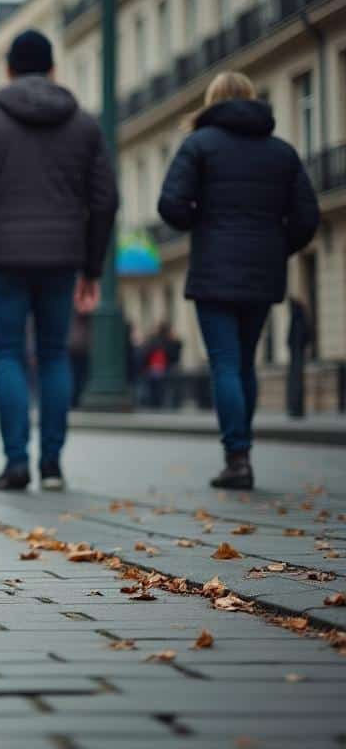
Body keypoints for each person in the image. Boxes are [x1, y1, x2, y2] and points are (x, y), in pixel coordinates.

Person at [0, 29, 118, 491]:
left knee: (7, 354)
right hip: (62, 257)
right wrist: (91, 266)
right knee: (53, 355)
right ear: (53, 70)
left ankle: (15, 463)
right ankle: (51, 465)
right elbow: (105, 201)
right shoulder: (83, 125)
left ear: (7, 70)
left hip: (3, 255)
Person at [158, 71, 319, 489]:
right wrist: (274, 245)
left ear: (212, 102)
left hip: (214, 269)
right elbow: (306, 218)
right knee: (245, 361)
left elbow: (170, 204)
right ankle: (241, 451)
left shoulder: (199, 146)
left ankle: (237, 456)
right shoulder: (282, 153)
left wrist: (203, 224)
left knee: (225, 363)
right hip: (262, 271)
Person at [138, 322, 182, 408]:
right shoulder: (168, 342)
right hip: (164, 369)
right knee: (164, 388)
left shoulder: (153, 341)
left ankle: (155, 403)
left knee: (155, 388)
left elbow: (144, 354)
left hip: (155, 369)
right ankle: (162, 403)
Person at [286, 296, 314, 419]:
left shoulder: (297, 318)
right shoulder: (301, 318)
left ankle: (295, 408)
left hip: (296, 355)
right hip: (297, 354)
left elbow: (292, 338)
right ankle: (295, 408)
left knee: (295, 382)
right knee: (296, 382)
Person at [67, 310, 92, 408]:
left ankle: (74, 400)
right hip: (77, 346)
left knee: (77, 376)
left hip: (77, 346)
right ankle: (73, 400)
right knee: (76, 376)